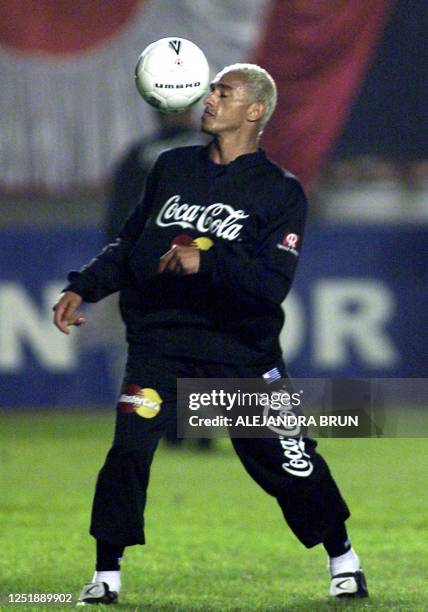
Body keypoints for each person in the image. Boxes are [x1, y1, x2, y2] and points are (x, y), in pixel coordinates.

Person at [53, 63, 368, 605]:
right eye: (212, 89)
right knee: (128, 450)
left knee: (287, 464)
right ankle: (107, 574)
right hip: (160, 342)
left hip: (237, 349)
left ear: (255, 110)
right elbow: (132, 245)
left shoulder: (280, 192)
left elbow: (271, 284)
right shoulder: (171, 168)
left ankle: (343, 556)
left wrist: (208, 261)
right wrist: (85, 285)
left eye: (225, 91)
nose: (210, 97)